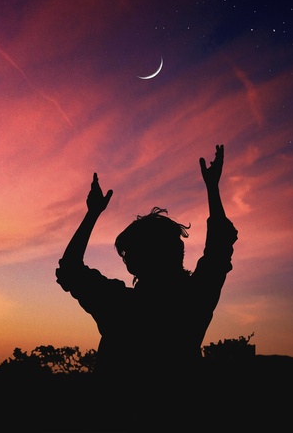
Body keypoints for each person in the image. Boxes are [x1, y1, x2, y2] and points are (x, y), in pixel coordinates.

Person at [55, 144, 238, 431]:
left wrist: (92, 214)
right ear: (178, 253)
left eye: (129, 253)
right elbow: (219, 247)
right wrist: (213, 189)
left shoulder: (119, 306)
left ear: (133, 263)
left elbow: (70, 270)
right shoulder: (194, 299)